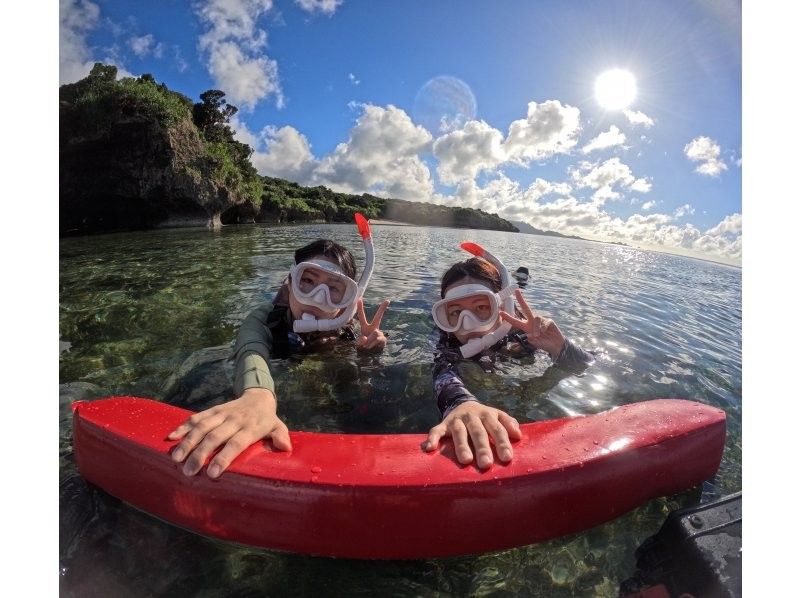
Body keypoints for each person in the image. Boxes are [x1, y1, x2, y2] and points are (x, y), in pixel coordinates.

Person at [169, 214, 390, 478]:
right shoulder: (264, 318)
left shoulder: (352, 332)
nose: (318, 299)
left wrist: (370, 355)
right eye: (307, 281)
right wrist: (257, 396)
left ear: (350, 302)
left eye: (334, 288)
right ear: (289, 286)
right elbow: (250, 347)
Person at [422, 242, 594, 470]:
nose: (468, 324)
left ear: (501, 306)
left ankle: (519, 281)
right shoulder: (447, 339)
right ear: (444, 316)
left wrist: (559, 347)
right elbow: (443, 369)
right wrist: (460, 403)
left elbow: (589, 364)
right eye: (455, 312)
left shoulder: (524, 338)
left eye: (482, 308)